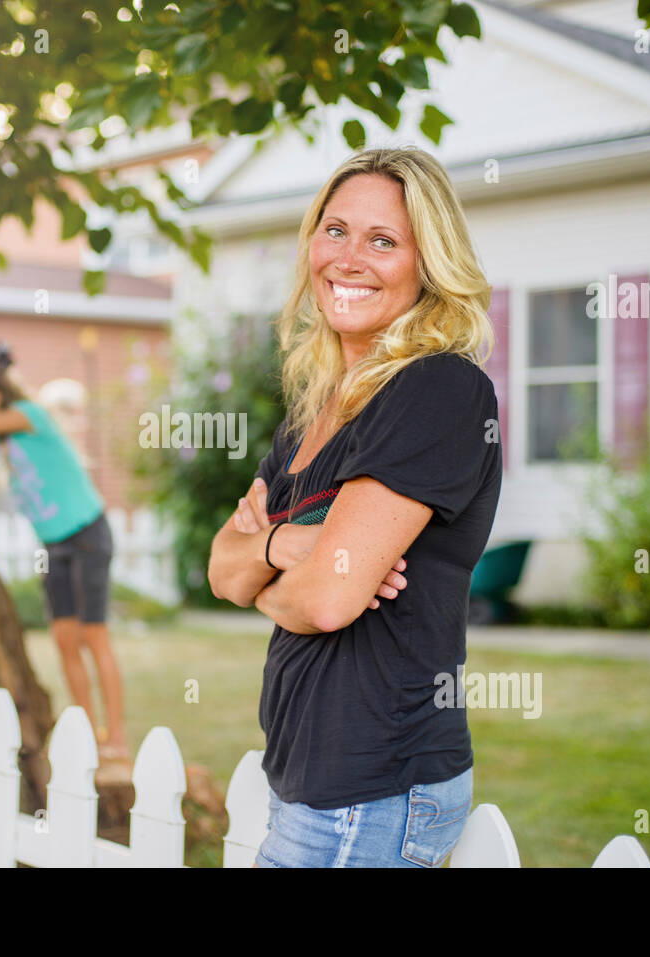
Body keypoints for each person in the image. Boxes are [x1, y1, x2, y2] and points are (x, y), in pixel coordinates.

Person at [207, 147, 503, 868]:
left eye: (383, 240)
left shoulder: (437, 390)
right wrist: (286, 548)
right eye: (335, 230)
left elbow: (333, 597)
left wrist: (270, 575)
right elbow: (220, 567)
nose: (350, 257)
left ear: (427, 264)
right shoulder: (316, 412)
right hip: (313, 782)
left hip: (371, 787)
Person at [0, 350, 130, 763]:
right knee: (64, 639)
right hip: (54, 544)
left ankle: (117, 736)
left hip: (87, 534)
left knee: (94, 637)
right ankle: (87, 730)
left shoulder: (29, 415)